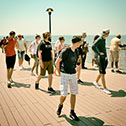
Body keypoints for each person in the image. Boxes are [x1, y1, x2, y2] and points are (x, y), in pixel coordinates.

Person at [56, 36, 82, 121]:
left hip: (73, 74)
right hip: (65, 74)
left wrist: (77, 66)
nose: (81, 43)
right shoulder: (66, 50)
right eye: (80, 42)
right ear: (77, 42)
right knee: (64, 94)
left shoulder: (77, 51)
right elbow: (57, 61)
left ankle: (72, 112)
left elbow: (77, 60)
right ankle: (60, 105)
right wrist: (59, 72)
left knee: (73, 93)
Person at [92, 29, 111, 94]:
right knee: (102, 73)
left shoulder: (103, 39)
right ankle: (105, 88)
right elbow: (93, 46)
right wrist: (99, 53)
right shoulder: (100, 39)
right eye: (108, 33)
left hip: (104, 57)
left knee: (102, 71)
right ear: (105, 34)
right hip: (101, 58)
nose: (108, 34)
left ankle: (96, 82)